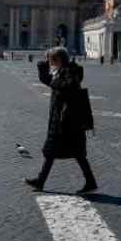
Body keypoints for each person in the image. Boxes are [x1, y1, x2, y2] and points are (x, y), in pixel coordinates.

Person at [26, 47, 97, 193]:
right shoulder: (62, 71)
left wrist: (54, 81)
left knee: (75, 153)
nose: (50, 63)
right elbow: (47, 80)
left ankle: (90, 181)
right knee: (53, 152)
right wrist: (43, 64)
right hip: (60, 118)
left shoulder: (71, 71)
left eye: (52, 60)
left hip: (68, 120)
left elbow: (67, 86)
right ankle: (41, 181)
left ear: (58, 60)